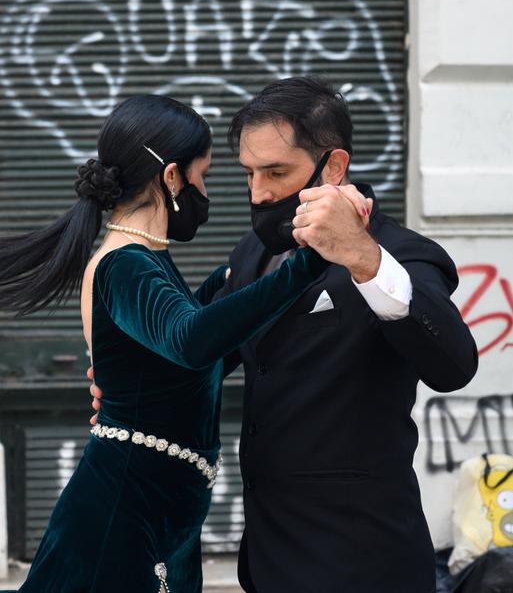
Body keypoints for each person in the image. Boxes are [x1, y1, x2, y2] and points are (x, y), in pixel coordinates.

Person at [89, 77, 478, 593]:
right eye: (249, 173)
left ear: (333, 167)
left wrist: (363, 257)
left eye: (276, 172)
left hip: (361, 563)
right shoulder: (251, 252)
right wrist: (131, 388)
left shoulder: (403, 254)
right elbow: (202, 353)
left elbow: (454, 366)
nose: (259, 193)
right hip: (268, 560)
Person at [0, 93, 370, 593]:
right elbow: (190, 341)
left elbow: (178, 352)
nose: (208, 191)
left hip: (158, 511)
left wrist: (225, 281)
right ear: (172, 177)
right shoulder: (124, 262)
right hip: (123, 514)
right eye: (205, 175)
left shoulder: (149, 260)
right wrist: (308, 263)